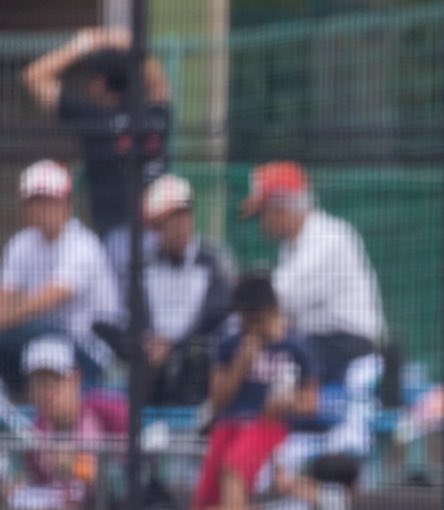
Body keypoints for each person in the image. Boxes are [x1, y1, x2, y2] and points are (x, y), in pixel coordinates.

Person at [174, 274, 320, 510]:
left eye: (258, 320)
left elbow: (310, 403)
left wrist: (288, 404)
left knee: (234, 469)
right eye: (246, 321)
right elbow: (218, 400)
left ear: (274, 310)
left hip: (267, 426)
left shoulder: (296, 349)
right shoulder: (229, 345)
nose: (252, 328)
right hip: (228, 425)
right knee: (202, 501)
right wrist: (241, 361)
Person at [19, 27, 172, 237]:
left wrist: (82, 45)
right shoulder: (151, 114)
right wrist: (131, 46)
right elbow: (160, 83)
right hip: (161, 232)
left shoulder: (94, 118)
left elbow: (33, 77)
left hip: (114, 233)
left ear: (99, 83)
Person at [242, 162, 387, 383]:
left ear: (279, 209)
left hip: (347, 346)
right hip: (318, 342)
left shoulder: (327, 237)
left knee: (269, 363)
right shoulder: (293, 244)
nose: (262, 223)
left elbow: (278, 299)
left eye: (263, 213)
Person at [109, 174, 236, 406]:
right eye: (168, 220)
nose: (178, 226)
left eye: (182, 216)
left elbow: (217, 312)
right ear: (156, 227)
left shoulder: (214, 260)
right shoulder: (143, 267)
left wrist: (175, 344)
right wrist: (150, 341)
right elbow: (137, 314)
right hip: (154, 358)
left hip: (197, 354)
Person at [0, 336, 124, 510]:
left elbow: (124, 481)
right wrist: (14, 488)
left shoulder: (106, 414)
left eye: (53, 383)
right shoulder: (35, 432)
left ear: (75, 378)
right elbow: (33, 484)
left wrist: (76, 466)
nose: (46, 393)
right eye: (38, 384)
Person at [0, 161, 119, 395]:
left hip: (89, 349)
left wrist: (5, 318)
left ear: (67, 205)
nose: (42, 208)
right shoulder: (21, 244)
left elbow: (46, 300)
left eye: (49, 201)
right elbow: (4, 298)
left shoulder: (83, 244)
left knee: (39, 330)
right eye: (35, 201)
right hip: (37, 342)